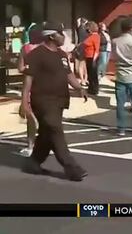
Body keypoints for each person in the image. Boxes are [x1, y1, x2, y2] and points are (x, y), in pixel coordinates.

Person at [21, 22, 88, 181]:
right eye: (61, 34)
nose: (64, 37)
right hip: (42, 100)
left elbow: (68, 74)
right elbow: (28, 80)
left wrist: (79, 87)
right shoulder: (36, 55)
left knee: (46, 133)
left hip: (60, 100)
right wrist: (24, 102)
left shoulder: (62, 54)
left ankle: (34, 162)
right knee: (55, 130)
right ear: (52, 36)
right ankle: (72, 167)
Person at [111, 18, 132, 136]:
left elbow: (113, 57)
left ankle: (121, 128)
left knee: (120, 103)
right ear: (131, 29)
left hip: (120, 74)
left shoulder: (115, 41)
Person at [16, 24, 43, 156]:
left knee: (30, 117)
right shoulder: (46, 48)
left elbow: (20, 68)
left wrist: (28, 68)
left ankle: (30, 146)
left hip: (30, 85)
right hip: (46, 85)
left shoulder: (25, 48)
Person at [82, 22, 100, 95]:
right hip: (88, 57)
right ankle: (91, 88)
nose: (86, 29)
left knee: (93, 74)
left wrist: (94, 60)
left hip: (92, 57)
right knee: (90, 74)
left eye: (87, 28)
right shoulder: (90, 36)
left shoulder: (96, 36)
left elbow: (97, 49)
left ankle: (94, 89)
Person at [74, 17, 89, 86]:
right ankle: (84, 80)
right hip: (83, 48)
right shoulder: (84, 29)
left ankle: (84, 79)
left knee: (82, 64)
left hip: (80, 47)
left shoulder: (80, 29)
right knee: (83, 65)